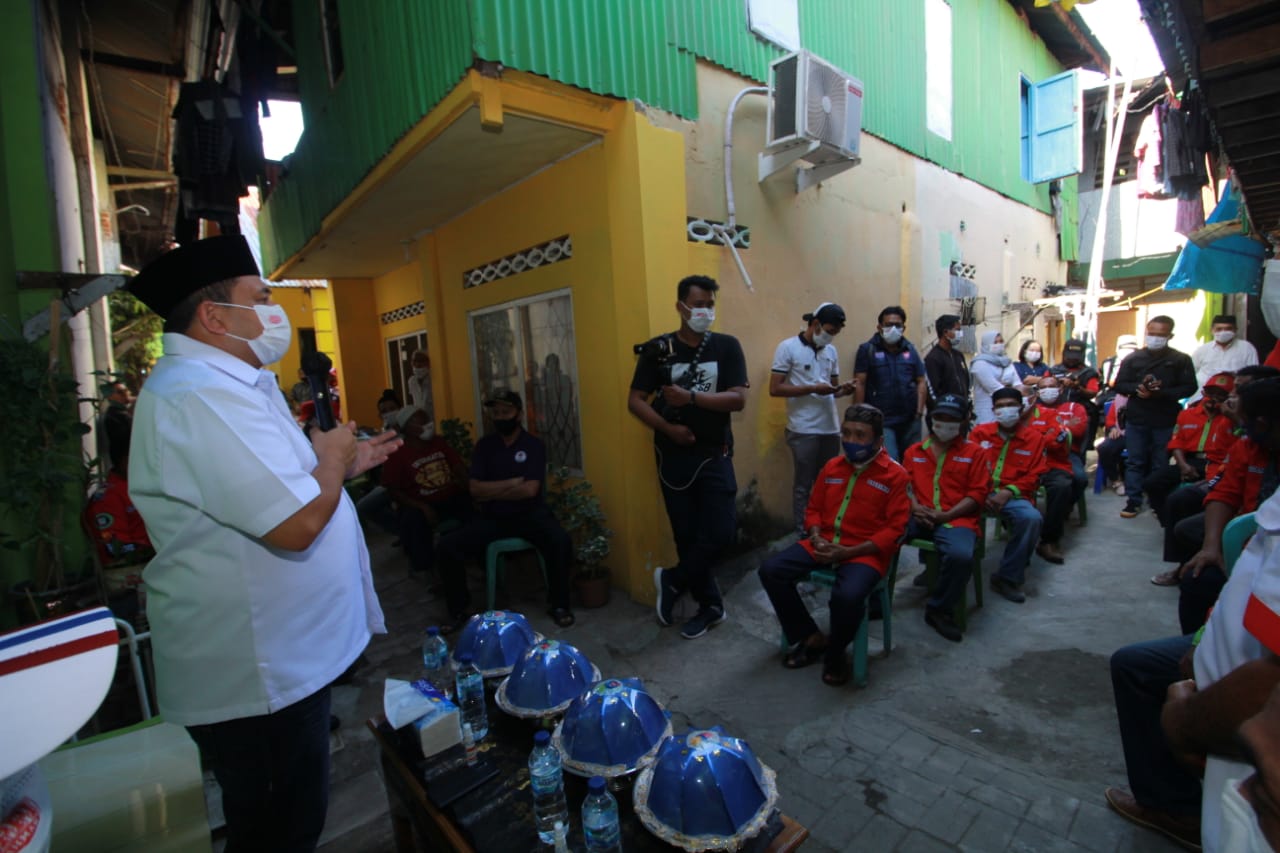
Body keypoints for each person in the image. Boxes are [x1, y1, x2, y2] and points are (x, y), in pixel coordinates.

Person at [126, 235, 402, 853]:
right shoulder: (200, 396)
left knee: (286, 821)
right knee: (280, 832)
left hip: (281, 661)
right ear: (214, 317)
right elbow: (296, 525)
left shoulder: (235, 383)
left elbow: (283, 487)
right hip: (258, 676)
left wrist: (344, 464)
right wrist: (331, 461)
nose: (274, 311)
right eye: (260, 298)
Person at [1105, 485, 1280, 853]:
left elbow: (1269, 685)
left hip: (1235, 730)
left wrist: (1186, 724)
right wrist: (1203, 638)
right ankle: (1173, 805)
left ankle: (1175, 809)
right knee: (1135, 664)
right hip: (1218, 661)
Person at [628, 275, 749, 640]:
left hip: (714, 452)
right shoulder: (659, 349)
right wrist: (668, 429)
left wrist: (691, 398)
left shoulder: (727, 346)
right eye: (698, 305)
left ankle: (673, 578)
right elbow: (635, 400)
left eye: (710, 305)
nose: (705, 311)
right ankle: (710, 606)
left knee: (722, 531)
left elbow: (738, 398)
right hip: (673, 455)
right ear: (680, 306)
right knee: (686, 534)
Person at [758, 404, 909, 685]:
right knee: (771, 571)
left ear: (879, 441)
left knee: (847, 597)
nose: (851, 441)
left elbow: (895, 530)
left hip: (864, 553)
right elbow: (814, 508)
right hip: (823, 542)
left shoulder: (896, 476)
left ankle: (836, 652)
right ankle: (811, 636)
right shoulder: (832, 467)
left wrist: (850, 551)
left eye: (860, 435)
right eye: (847, 433)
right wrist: (815, 536)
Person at [436, 389, 575, 629]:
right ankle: (459, 611)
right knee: (447, 546)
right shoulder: (485, 446)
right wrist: (512, 483)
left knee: (560, 541)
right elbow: (475, 489)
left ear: (519, 414)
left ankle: (560, 605)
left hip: (529, 514)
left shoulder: (533, 445)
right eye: (496, 413)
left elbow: (530, 490)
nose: (500, 417)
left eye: (506, 412)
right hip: (494, 517)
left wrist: (491, 490)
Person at [1166, 379, 1280, 634]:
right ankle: (1197, 644)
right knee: (1196, 579)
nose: (1240, 428)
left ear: (1262, 423)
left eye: (1243, 421)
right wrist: (1211, 547)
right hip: (1250, 543)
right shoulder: (1248, 447)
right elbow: (1224, 494)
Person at [900, 394, 986, 642]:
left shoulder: (975, 453)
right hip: (920, 515)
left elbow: (977, 493)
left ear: (963, 421)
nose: (945, 423)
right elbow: (904, 487)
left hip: (956, 518)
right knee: (883, 538)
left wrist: (946, 515)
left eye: (952, 419)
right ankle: (876, 599)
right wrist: (915, 508)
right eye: (940, 417)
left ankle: (939, 609)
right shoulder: (914, 452)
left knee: (960, 556)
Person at [770, 302, 855, 531]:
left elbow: (833, 389)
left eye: (835, 333)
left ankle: (825, 528)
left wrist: (844, 390)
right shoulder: (788, 348)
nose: (831, 337)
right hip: (803, 429)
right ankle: (803, 531)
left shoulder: (831, 351)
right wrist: (812, 388)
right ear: (815, 324)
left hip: (830, 428)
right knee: (804, 484)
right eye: (829, 331)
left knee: (829, 481)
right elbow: (775, 389)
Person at [970, 387, 1049, 603]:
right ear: (993, 410)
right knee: (940, 507)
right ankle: (933, 567)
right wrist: (981, 492)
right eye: (1000, 406)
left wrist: (1008, 492)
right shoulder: (980, 433)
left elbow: (1036, 474)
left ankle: (1007, 577)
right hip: (978, 492)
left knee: (1031, 519)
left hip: (1013, 495)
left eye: (1011, 405)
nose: (1006, 410)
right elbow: (967, 467)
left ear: (1021, 408)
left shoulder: (1034, 439)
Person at [1112, 316, 1198, 518]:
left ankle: (1156, 502)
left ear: (1170, 336)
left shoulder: (1180, 360)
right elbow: (1119, 384)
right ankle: (1133, 501)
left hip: (1165, 419)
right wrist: (1138, 389)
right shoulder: (1133, 358)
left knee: (1161, 462)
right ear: (1146, 333)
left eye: (1161, 335)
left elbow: (1189, 387)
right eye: (1152, 334)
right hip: (1137, 418)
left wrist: (1162, 393)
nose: (1155, 338)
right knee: (1135, 462)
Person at [380, 406, 470, 577]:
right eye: (421, 423)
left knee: (474, 507)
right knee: (413, 520)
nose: (428, 425)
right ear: (407, 428)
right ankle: (424, 567)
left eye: (427, 420)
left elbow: (457, 466)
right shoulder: (397, 454)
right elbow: (393, 490)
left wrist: (468, 483)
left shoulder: (438, 442)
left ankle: (473, 556)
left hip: (449, 496)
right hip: (419, 503)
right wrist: (422, 506)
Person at [1144, 373, 1236, 530]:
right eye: (1211, 393)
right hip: (1190, 460)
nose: (1214, 398)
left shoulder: (1231, 418)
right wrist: (1183, 465)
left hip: (1218, 464)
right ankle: (1168, 523)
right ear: (1204, 393)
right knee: (1152, 483)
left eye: (1220, 395)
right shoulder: (1187, 414)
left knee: (1199, 496)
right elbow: (1176, 442)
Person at [1025, 375, 1089, 564]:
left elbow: (1076, 430)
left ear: (1060, 389)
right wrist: (1059, 429)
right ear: (1037, 393)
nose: (1048, 390)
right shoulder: (1028, 411)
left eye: (1051, 386)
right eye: (1043, 387)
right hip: (1030, 457)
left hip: (1066, 454)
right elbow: (1025, 437)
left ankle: (1051, 535)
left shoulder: (1073, 407)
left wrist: (1053, 432)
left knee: (1076, 479)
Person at [853, 305, 927, 461]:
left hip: (910, 420)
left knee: (912, 462)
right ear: (879, 327)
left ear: (903, 328)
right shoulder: (868, 350)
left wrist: (919, 412)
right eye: (888, 325)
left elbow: (921, 381)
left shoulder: (910, 350)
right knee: (890, 461)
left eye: (897, 325)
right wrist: (858, 417)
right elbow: (860, 383)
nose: (893, 329)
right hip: (882, 421)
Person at [1190, 314, 1258, 400]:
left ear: (1235, 330)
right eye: (1219, 329)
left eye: (1228, 329)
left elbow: (1253, 374)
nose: (1223, 332)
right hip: (1203, 396)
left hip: (1233, 396)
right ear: (1211, 330)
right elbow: (1191, 374)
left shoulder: (1246, 348)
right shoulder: (1202, 350)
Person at [1052, 338, 1102, 451]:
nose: (1071, 360)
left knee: (1079, 448)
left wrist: (1077, 387)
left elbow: (1093, 392)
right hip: (1057, 410)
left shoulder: (1089, 373)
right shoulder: (1054, 370)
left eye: (1075, 358)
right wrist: (1054, 382)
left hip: (1080, 412)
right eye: (1069, 357)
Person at [970, 331, 1018, 425]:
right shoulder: (980, 364)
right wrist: (1009, 387)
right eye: (995, 342)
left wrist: (1011, 387)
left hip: (1007, 409)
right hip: (986, 410)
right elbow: (994, 388)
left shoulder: (1006, 361)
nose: (999, 344)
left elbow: (1017, 383)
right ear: (986, 344)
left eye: (1001, 341)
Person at [924, 314, 970, 404]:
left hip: (961, 408)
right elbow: (932, 390)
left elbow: (965, 381)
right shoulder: (933, 358)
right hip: (944, 409)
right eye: (957, 330)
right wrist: (940, 408)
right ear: (945, 332)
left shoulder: (958, 355)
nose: (960, 334)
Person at [1097, 393, 1128, 494]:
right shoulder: (1120, 398)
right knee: (1104, 448)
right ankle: (1116, 481)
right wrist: (1113, 428)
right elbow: (1110, 419)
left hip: (1141, 435)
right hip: (1121, 433)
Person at [407, 349, 433, 416]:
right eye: (415, 361)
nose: (418, 364)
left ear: (428, 363)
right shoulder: (412, 381)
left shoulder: (433, 381)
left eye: (421, 361)